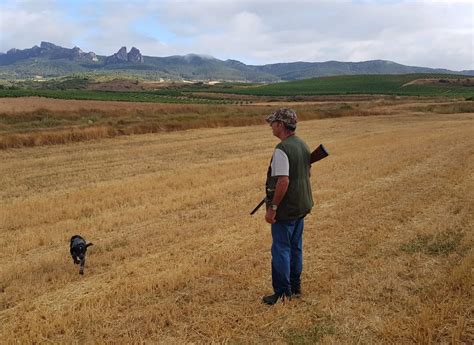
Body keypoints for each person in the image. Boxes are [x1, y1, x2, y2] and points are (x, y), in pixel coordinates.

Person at [262, 108, 313, 305]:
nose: (271, 126)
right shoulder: (302, 144)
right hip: (302, 205)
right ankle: (295, 286)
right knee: (295, 247)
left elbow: (283, 181)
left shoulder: (282, 149)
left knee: (281, 249)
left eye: (273, 122)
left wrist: (273, 207)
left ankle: (283, 293)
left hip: (287, 208)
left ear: (281, 125)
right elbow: (307, 173)